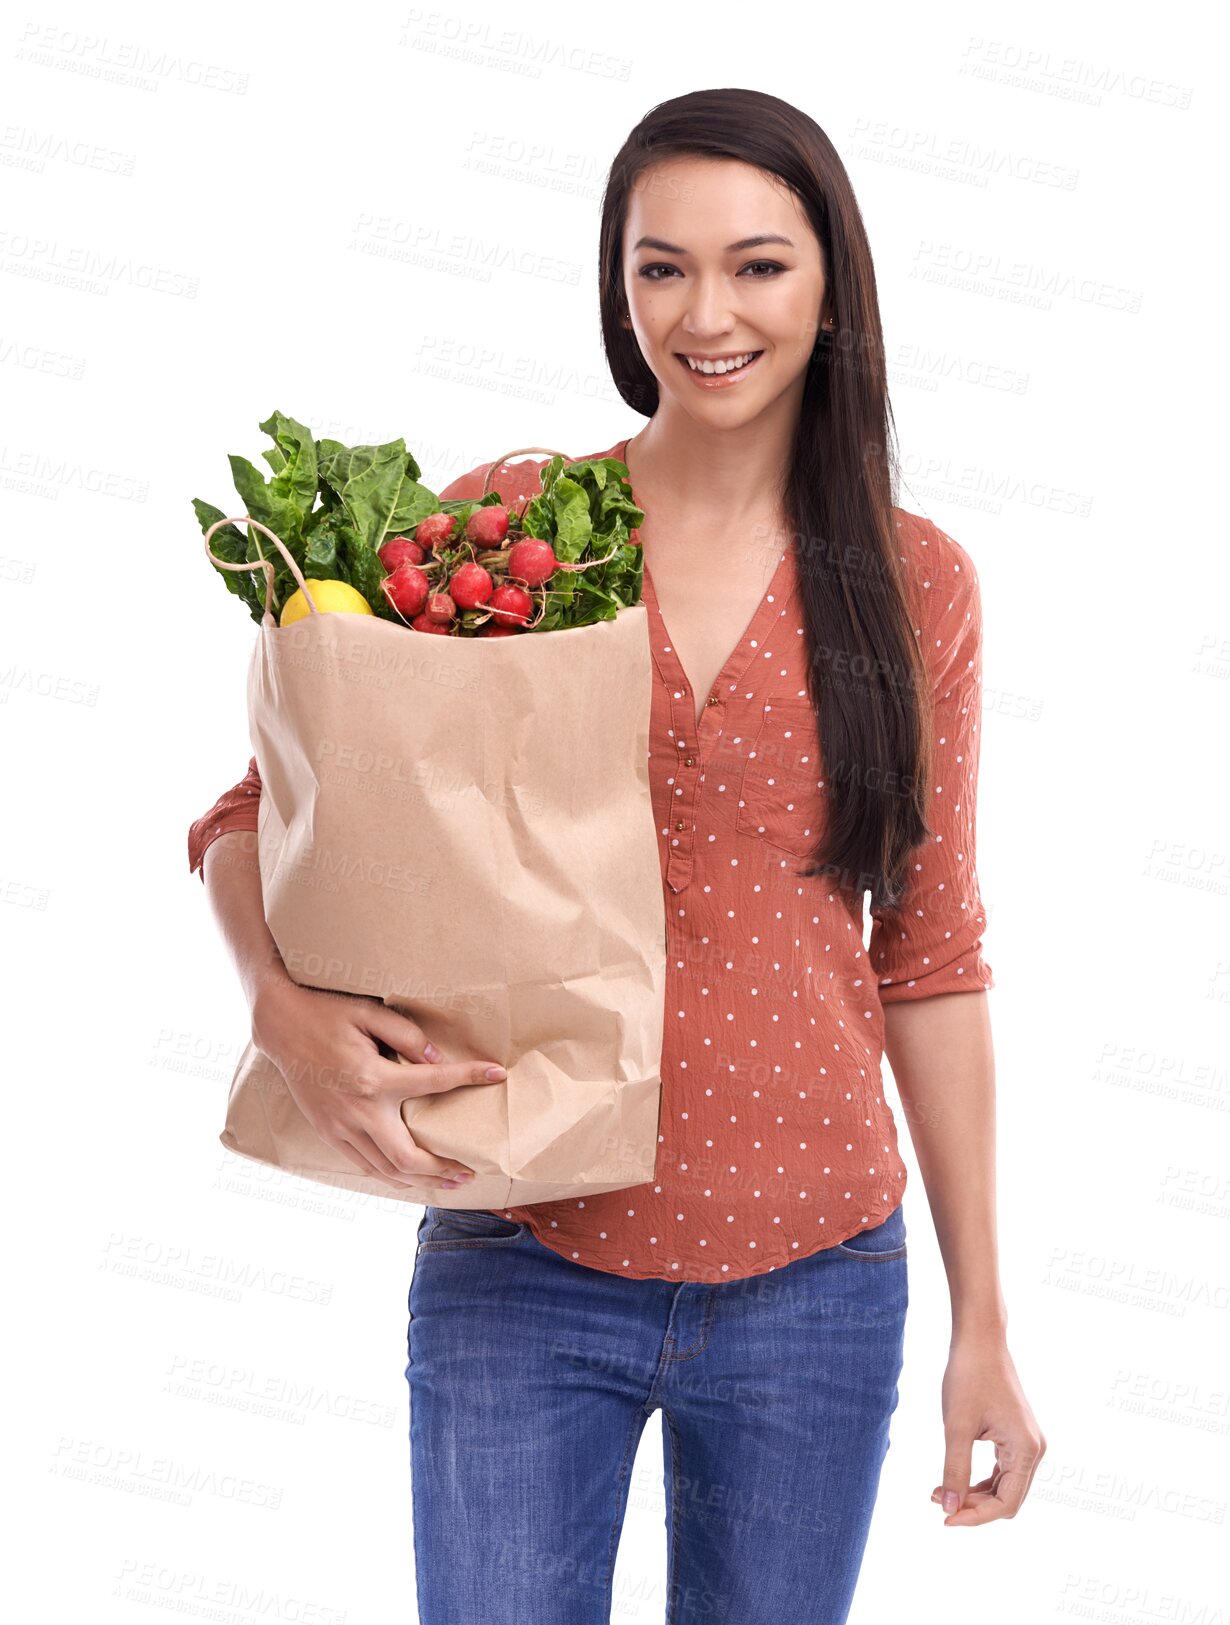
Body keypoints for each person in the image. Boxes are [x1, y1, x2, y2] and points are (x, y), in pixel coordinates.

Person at [189, 87, 1045, 1625]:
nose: (704, 313)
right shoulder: (509, 531)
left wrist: (982, 1317)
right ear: (617, 282)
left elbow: (927, 953)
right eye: (661, 267)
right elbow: (256, 810)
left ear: (831, 281)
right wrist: (279, 1003)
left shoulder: (918, 584)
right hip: (524, 1250)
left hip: (817, 1276)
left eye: (757, 265)